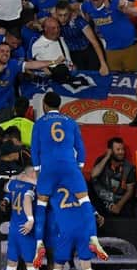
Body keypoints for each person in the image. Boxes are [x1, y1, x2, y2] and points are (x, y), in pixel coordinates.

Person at [31, 91, 94, 255]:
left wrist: (38, 171)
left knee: (41, 205)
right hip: (69, 167)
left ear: (44, 105)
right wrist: (78, 169)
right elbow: (80, 148)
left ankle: (39, 243)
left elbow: (34, 150)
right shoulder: (71, 122)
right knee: (84, 200)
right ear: (60, 105)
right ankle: (93, 237)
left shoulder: (39, 123)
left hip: (48, 168)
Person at [48, 179, 108, 270]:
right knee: (86, 267)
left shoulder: (53, 185)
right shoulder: (78, 184)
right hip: (83, 229)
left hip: (65, 230)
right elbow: (87, 205)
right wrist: (96, 213)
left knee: (58, 267)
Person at [1, 166, 40, 270]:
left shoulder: (15, 183)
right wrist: (30, 219)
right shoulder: (31, 186)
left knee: (11, 267)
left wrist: (19, 177)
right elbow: (26, 199)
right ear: (31, 173)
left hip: (13, 231)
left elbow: (6, 186)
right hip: (25, 231)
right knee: (32, 268)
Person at [81, 0, 137, 73]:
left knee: (133, 81)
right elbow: (76, 8)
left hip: (130, 48)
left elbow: (136, 7)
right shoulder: (87, 6)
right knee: (114, 83)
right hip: (111, 51)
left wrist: (124, 5)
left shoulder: (115, 1)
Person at [90, 137, 137, 217]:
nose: (121, 152)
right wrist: (107, 156)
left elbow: (130, 191)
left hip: (118, 200)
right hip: (101, 199)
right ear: (110, 151)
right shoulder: (102, 161)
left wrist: (118, 206)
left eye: (122, 149)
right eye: (118, 149)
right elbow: (93, 174)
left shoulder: (128, 167)